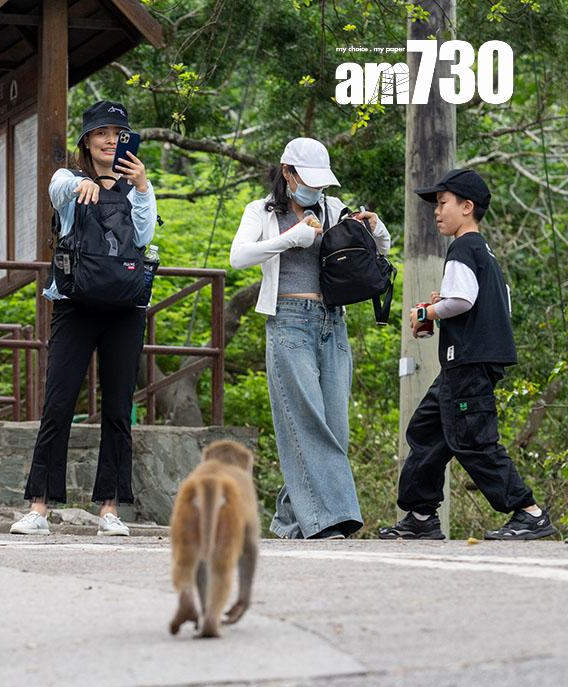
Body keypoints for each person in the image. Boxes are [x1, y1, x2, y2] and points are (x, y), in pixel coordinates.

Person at [380, 168, 556, 541]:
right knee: (427, 430)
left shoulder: (463, 246)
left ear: (467, 206)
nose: (436, 212)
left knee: (473, 439)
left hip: (469, 362)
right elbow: (489, 304)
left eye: (442, 203)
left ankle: (529, 512)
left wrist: (428, 312)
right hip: (466, 362)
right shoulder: (484, 253)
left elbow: (463, 300)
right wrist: (441, 308)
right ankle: (421, 516)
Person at [229, 137, 392, 540]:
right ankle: (332, 519)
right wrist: (290, 238)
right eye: (308, 180)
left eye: (321, 183)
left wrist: (377, 230)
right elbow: (238, 256)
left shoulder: (334, 209)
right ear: (288, 173)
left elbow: (375, 254)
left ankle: (290, 523)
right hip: (288, 322)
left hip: (331, 322)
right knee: (306, 423)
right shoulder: (262, 211)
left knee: (333, 427)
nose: (316, 190)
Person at [10, 100, 157, 537]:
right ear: (87, 141)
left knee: (117, 410)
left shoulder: (139, 188)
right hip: (75, 304)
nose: (110, 140)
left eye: (117, 133)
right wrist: (81, 188)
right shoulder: (68, 178)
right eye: (101, 133)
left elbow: (146, 237)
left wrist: (143, 186)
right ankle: (39, 507)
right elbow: (56, 193)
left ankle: (110, 509)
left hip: (126, 309)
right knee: (58, 403)